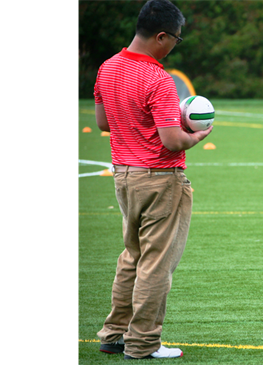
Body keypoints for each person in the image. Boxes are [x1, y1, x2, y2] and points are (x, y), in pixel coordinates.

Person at [93, 0, 212, 359]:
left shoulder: (107, 68)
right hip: (161, 179)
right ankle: (143, 342)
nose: (176, 44)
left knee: (132, 257)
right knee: (156, 263)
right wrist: (196, 137)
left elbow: (103, 123)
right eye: (176, 38)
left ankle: (113, 333)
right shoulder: (157, 78)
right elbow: (172, 140)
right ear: (161, 36)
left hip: (124, 177)